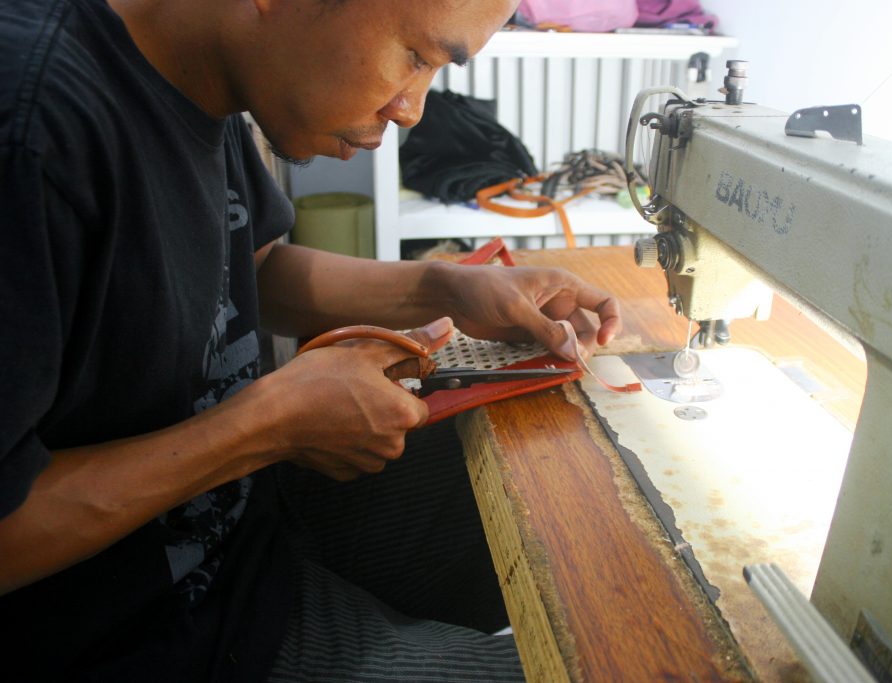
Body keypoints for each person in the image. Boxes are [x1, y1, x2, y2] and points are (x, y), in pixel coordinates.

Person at [0, 0, 622, 681]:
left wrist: (444, 287)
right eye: (416, 57)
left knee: (582, 495)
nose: (412, 109)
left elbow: (255, 265)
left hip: (246, 528)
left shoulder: (198, 69)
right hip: (144, 635)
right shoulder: (34, 125)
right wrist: (267, 425)